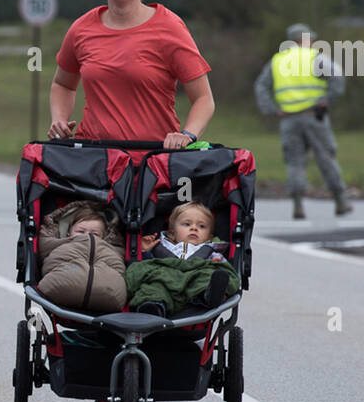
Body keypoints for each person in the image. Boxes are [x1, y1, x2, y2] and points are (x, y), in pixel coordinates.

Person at [49, 0, 214, 149]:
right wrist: (59, 120)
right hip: (93, 162)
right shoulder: (82, 28)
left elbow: (203, 98)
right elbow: (62, 84)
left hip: (151, 163)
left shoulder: (169, 27)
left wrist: (188, 135)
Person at [254, 23, 352, 219]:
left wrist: (273, 109)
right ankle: (340, 201)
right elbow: (338, 79)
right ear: (305, 39)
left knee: (294, 162)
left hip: (289, 120)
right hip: (314, 116)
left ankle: (298, 205)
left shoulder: (277, 60)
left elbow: (261, 86)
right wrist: (327, 101)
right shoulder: (315, 57)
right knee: (326, 157)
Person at [128, 202, 238, 319]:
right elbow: (148, 266)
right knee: (153, 286)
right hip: (166, 281)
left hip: (194, 283)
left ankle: (209, 295)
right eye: (187, 224)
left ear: (209, 237)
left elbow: (224, 268)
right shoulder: (161, 246)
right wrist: (145, 252)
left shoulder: (211, 250)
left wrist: (217, 263)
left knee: (208, 275)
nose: (194, 228)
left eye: (201, 226)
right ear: (171, 233)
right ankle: (153, 307)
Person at [36, 200, 126, 313]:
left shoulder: (112, 246)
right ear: (68, 234)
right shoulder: (57, 243)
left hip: (107, 289)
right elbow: (45, 244)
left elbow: (120, 253)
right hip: (65, 277)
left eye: (94, 234)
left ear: (104, 237)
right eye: (80, 231)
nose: (88, 236)